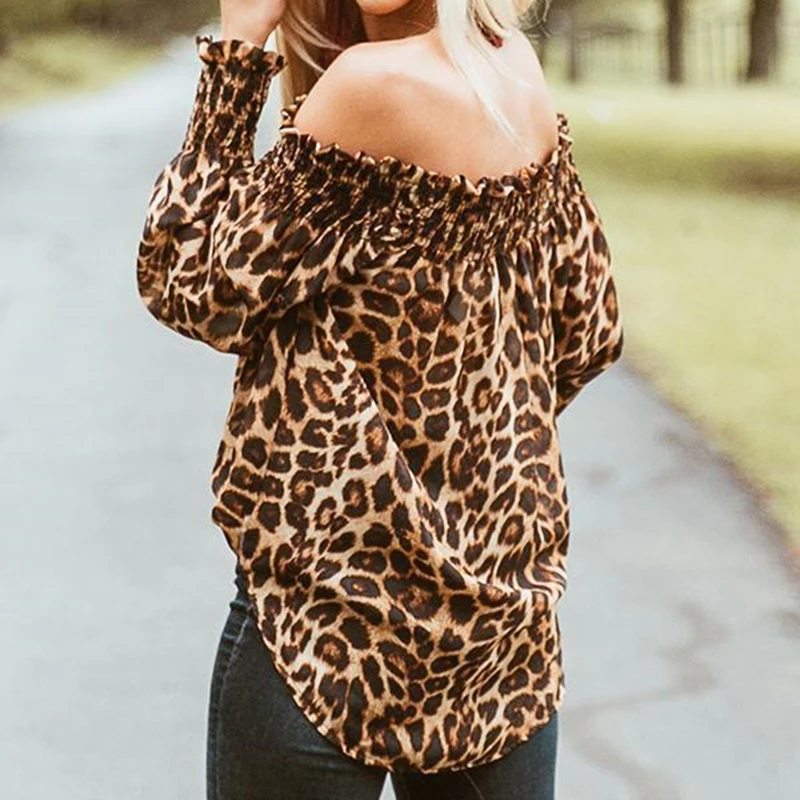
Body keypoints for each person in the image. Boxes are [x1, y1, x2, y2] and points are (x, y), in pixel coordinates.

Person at [135, 0, 624, 797]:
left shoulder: (370, 85)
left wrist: (239, 51)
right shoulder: (514, 71)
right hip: (494, 640)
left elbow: (188, 282)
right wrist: (469, 450)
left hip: (326, 623)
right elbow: (588, 327)